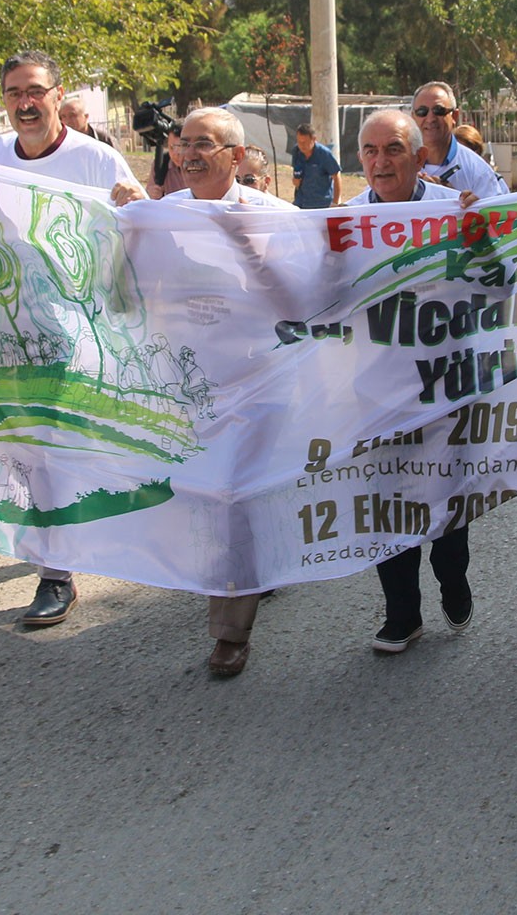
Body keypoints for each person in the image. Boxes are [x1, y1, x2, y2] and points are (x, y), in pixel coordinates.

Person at [0, 53, 145, 628]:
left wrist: (135, 207)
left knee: (57, 443)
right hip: (6, 329)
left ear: (57, 94)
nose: (24, 102)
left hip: (78, 328)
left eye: (35, 91)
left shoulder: (97, 159)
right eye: (13, 92)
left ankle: (61, 568)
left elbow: (135, 234)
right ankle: (59, 564)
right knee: (29, 446)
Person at [155, 106, 296, 677]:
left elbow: (305, 299)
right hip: (187, 387)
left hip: (258, 384)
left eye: (204, 143)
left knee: (231, 497)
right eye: (183, 142)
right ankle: (257, 567)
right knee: (208, 497)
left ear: (235, 157)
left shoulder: (275, 217)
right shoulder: (158, 215)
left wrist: (251, 254)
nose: (189, 153)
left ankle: (230, 634)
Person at [350, 109, 473, 652]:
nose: (381, 162)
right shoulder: (342, 221)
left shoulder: (457, 211)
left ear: (420, 157)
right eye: (371, 152)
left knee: (446, 498)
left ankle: (453, 575)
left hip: (448, 382)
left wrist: (482, 238)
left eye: (394, 149)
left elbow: (504, 284)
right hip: (377, 390)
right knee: (387, 502)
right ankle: (402, 613)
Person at [411, 81, 507, 198]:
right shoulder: (399, 165)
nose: (430, 119)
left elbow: (495, 213)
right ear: (413, 118)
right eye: (422, 112)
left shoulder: (478, 171)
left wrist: (452, 197)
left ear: (454, 116)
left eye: (439, 111)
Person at [290, 123, 343, 209]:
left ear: (314, 139)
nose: (301, 146)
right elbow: (296, 174)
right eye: (299, 142)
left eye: (304, 142)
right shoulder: (296, 152)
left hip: (321, 204)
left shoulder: (324, 154)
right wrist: (295, 180)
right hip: (301, 203)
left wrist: (335, 203)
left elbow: (336, 177)